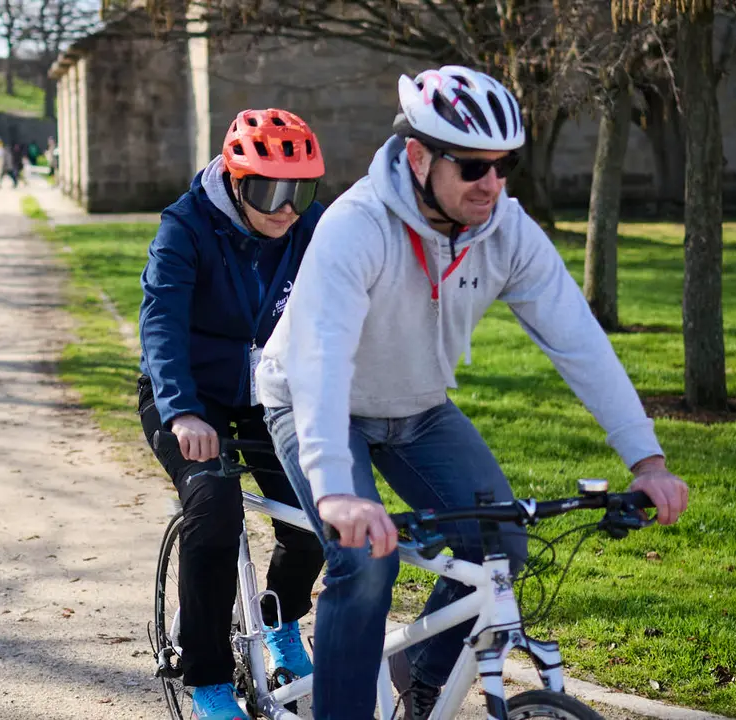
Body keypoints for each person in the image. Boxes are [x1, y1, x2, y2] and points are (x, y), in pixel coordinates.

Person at [255, 66, 691, 720]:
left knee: (503, 547)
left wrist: (646, 460)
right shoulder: (356, 226)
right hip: (316, 401)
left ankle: (420, 678)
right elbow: (319, 360)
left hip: (416, 407)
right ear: (417, 156)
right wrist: (336, 490)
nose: (490, 183)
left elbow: (577, 340)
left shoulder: (505, 230)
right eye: (471, 166)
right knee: (363, 565)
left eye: (503, 165)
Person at [138, 108, 329, 720]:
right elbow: (161, 325)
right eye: (271, 190)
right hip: (191, 398)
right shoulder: (184, 228)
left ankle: (280, 620)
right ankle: (209, 681)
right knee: (214, 515)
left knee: (314, 510)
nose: (287, 207)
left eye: (301, 190)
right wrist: (183, 412)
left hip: (274, 395)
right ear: (237, 181)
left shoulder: (310, 228)